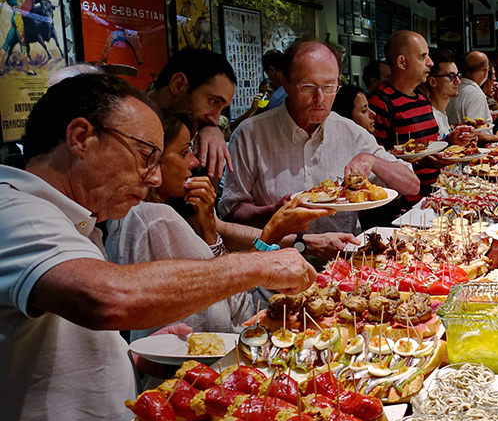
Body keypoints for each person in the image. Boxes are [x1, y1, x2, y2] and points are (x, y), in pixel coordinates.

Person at [0, 73, 316, 421]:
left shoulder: (76, 221)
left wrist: (120, 357)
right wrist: (259, 265)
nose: (152, 177)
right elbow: (105, 297)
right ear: (80, 137)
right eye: (146, 154)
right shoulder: (14, 209)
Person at [105, 110, 331, 339]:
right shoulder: (156, 219)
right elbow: (229, 312)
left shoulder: (141, 215)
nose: (194, 161)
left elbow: (219, 285)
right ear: (154, 160)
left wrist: (210, 230)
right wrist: (272, 232)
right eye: (184, 153)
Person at [220, 41, 420, 251]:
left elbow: (411, 185)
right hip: (274, 265)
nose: (320, 98)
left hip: (340, 266)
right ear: (285, 84)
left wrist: (372, 161)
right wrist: (273, 211)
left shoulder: (350, 133)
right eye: (308, 87)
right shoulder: (250, 134)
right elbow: (232, 211)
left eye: (329, 87)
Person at [369, 31, 472, 200]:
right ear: (402, 62)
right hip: (404, 204)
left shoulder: (421, 96)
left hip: (433, 195)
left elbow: (426, 147)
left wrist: (449, 141)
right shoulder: (380, 102)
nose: (430, 63)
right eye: (422, 57)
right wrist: (422, 161)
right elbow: (376, 163)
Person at [146, 48, 236, 179]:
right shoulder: (121, 124)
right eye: (213, 101)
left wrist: (213, 140)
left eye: (222, 108)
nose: (216, 120)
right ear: (178, 84)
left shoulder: (190, 131)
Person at [446, 51, 498, 143]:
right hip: (473, 150)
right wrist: (496, 137)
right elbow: (473, 132)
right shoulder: (476, 94)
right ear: (485, 71)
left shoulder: (455, 89)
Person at [427, 49, 460, 138]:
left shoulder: (441, 113)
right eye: (451, 77)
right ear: (433, 82)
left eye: (458, 76)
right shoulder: (430, 118)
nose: (458, 81)